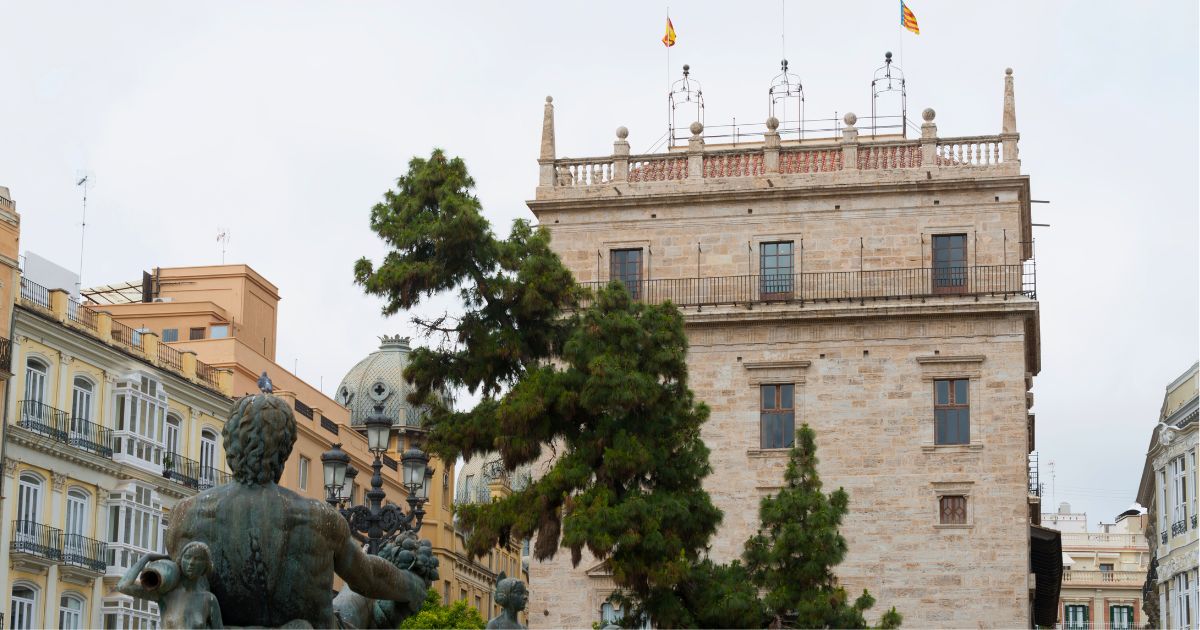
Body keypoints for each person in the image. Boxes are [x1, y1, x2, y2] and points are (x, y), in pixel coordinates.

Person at [165, 390, 429, 628]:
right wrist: (411, 585)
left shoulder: (184, 515)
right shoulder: (319, 519)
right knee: (359, 598)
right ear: (285, 450)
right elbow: (368, 578)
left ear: (230, 445)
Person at [117, 541, 223, 629]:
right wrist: (146, 558)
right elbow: (123, 586)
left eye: (198, 559)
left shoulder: (209, 600)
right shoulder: (165, 593)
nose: (191, 562)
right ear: (180, 561)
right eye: (187, 557)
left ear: (206, 566)